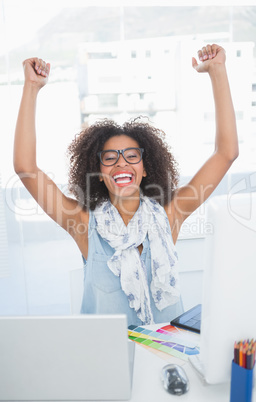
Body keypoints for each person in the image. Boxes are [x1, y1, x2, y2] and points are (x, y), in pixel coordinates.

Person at [14, 44, 238, 325]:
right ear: (98, 172)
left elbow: (226, 153)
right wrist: (32, 87)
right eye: (110, 158)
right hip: (107, 361)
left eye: (132, 156)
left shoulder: (170, 214)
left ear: (145, 169)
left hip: (167, 357)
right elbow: (25, 168)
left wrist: (217, 71)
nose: (121, 163)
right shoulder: (82, 223)